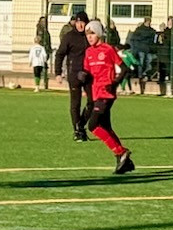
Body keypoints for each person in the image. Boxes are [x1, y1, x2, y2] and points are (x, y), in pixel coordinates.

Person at [81, 19, 134, 174]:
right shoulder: (88, 52)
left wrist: (115, 83)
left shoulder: (108, 49)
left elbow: (124, 68)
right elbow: (87, 71)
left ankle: (121, 151)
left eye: (92, 34)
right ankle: (125, 162)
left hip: (106, 93)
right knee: (106, 127)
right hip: (96, 94)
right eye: (87, 34)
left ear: (98, 34)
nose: (89, 37)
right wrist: (82, 75)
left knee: (93, 125)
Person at [54, 10, 93, 140]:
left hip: (89, 74)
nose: (80, 25)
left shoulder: (90, 37)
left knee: (92, 102)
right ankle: (77, 130)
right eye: (78, 22)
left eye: (82, 22)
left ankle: (80, 126)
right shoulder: (69, 37)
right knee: (75, 103)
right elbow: (59, 54)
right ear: (75, 23)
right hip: (74, 74)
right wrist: (58, 73)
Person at [129, 17, 156, 86]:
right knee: (142, 62)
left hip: (147, 49)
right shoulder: (141, 30)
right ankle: (141, 75)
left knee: (148, 62)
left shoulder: (148, 30)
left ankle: (145, 74)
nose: (149, 23)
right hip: (142, 48)